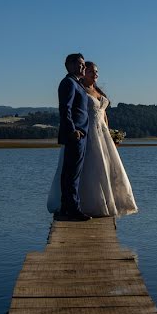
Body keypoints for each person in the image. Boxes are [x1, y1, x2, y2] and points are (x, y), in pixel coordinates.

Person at [48, 60, 138, 217]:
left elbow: (103, 113)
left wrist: (111, 134)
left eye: (96, 72)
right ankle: (80, 205)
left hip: (102, 132)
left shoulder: (96, 90)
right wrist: (73, 130)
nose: (94, 74)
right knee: (85, 170)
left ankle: (106, 202)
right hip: (86, 133)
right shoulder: (77, 87)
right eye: (91, 71)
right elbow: (68, 109)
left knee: (106, 168)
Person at [54, 53, 91, 221]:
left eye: (83, 64)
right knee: (71, 175)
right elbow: (65, 109)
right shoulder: (68, 83)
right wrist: (72, 131)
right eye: (79, 64)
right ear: (68, 65)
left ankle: (65, 208)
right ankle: (73, 210)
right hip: (75, 135)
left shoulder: (78, 83)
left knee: (71, 173)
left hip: (81, 134)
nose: (82, 67)